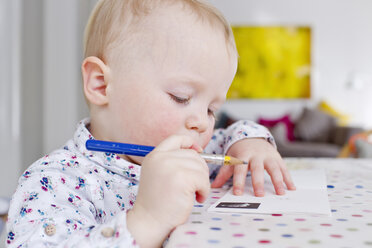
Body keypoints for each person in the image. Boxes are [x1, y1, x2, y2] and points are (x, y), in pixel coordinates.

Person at [6, 0, 295, 247]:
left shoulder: (195, 154)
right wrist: (145, 220)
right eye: (181, 97)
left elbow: (231, 136)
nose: (202, 123)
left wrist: (250, 142)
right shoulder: (56, 181)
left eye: (211, 108)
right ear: (101, 84)